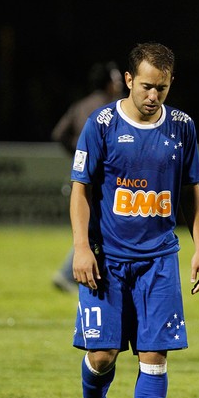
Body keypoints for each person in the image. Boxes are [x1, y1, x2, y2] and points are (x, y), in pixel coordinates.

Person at [70, 42, 199, 398]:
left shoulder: (182, 126)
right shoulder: (101, 124)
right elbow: (80, 190)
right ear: (129, 80)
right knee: (102, 357)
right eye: (146, 86)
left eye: (162, 89)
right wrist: (81, 247)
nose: (153, 96)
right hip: (107, 259)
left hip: (160, 260)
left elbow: (190, 190)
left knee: (154, 359)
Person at [51, 61, 124, 293]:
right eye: (116, 80)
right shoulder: (113, 108)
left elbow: (59, 133)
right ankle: (67, 273)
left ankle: (79, 274)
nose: (119, 85)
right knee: (100, 227)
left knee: (94, 226)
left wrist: (78, 155)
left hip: (82, 176)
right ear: (108, 83)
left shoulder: (80, 105)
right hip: (106, 178)